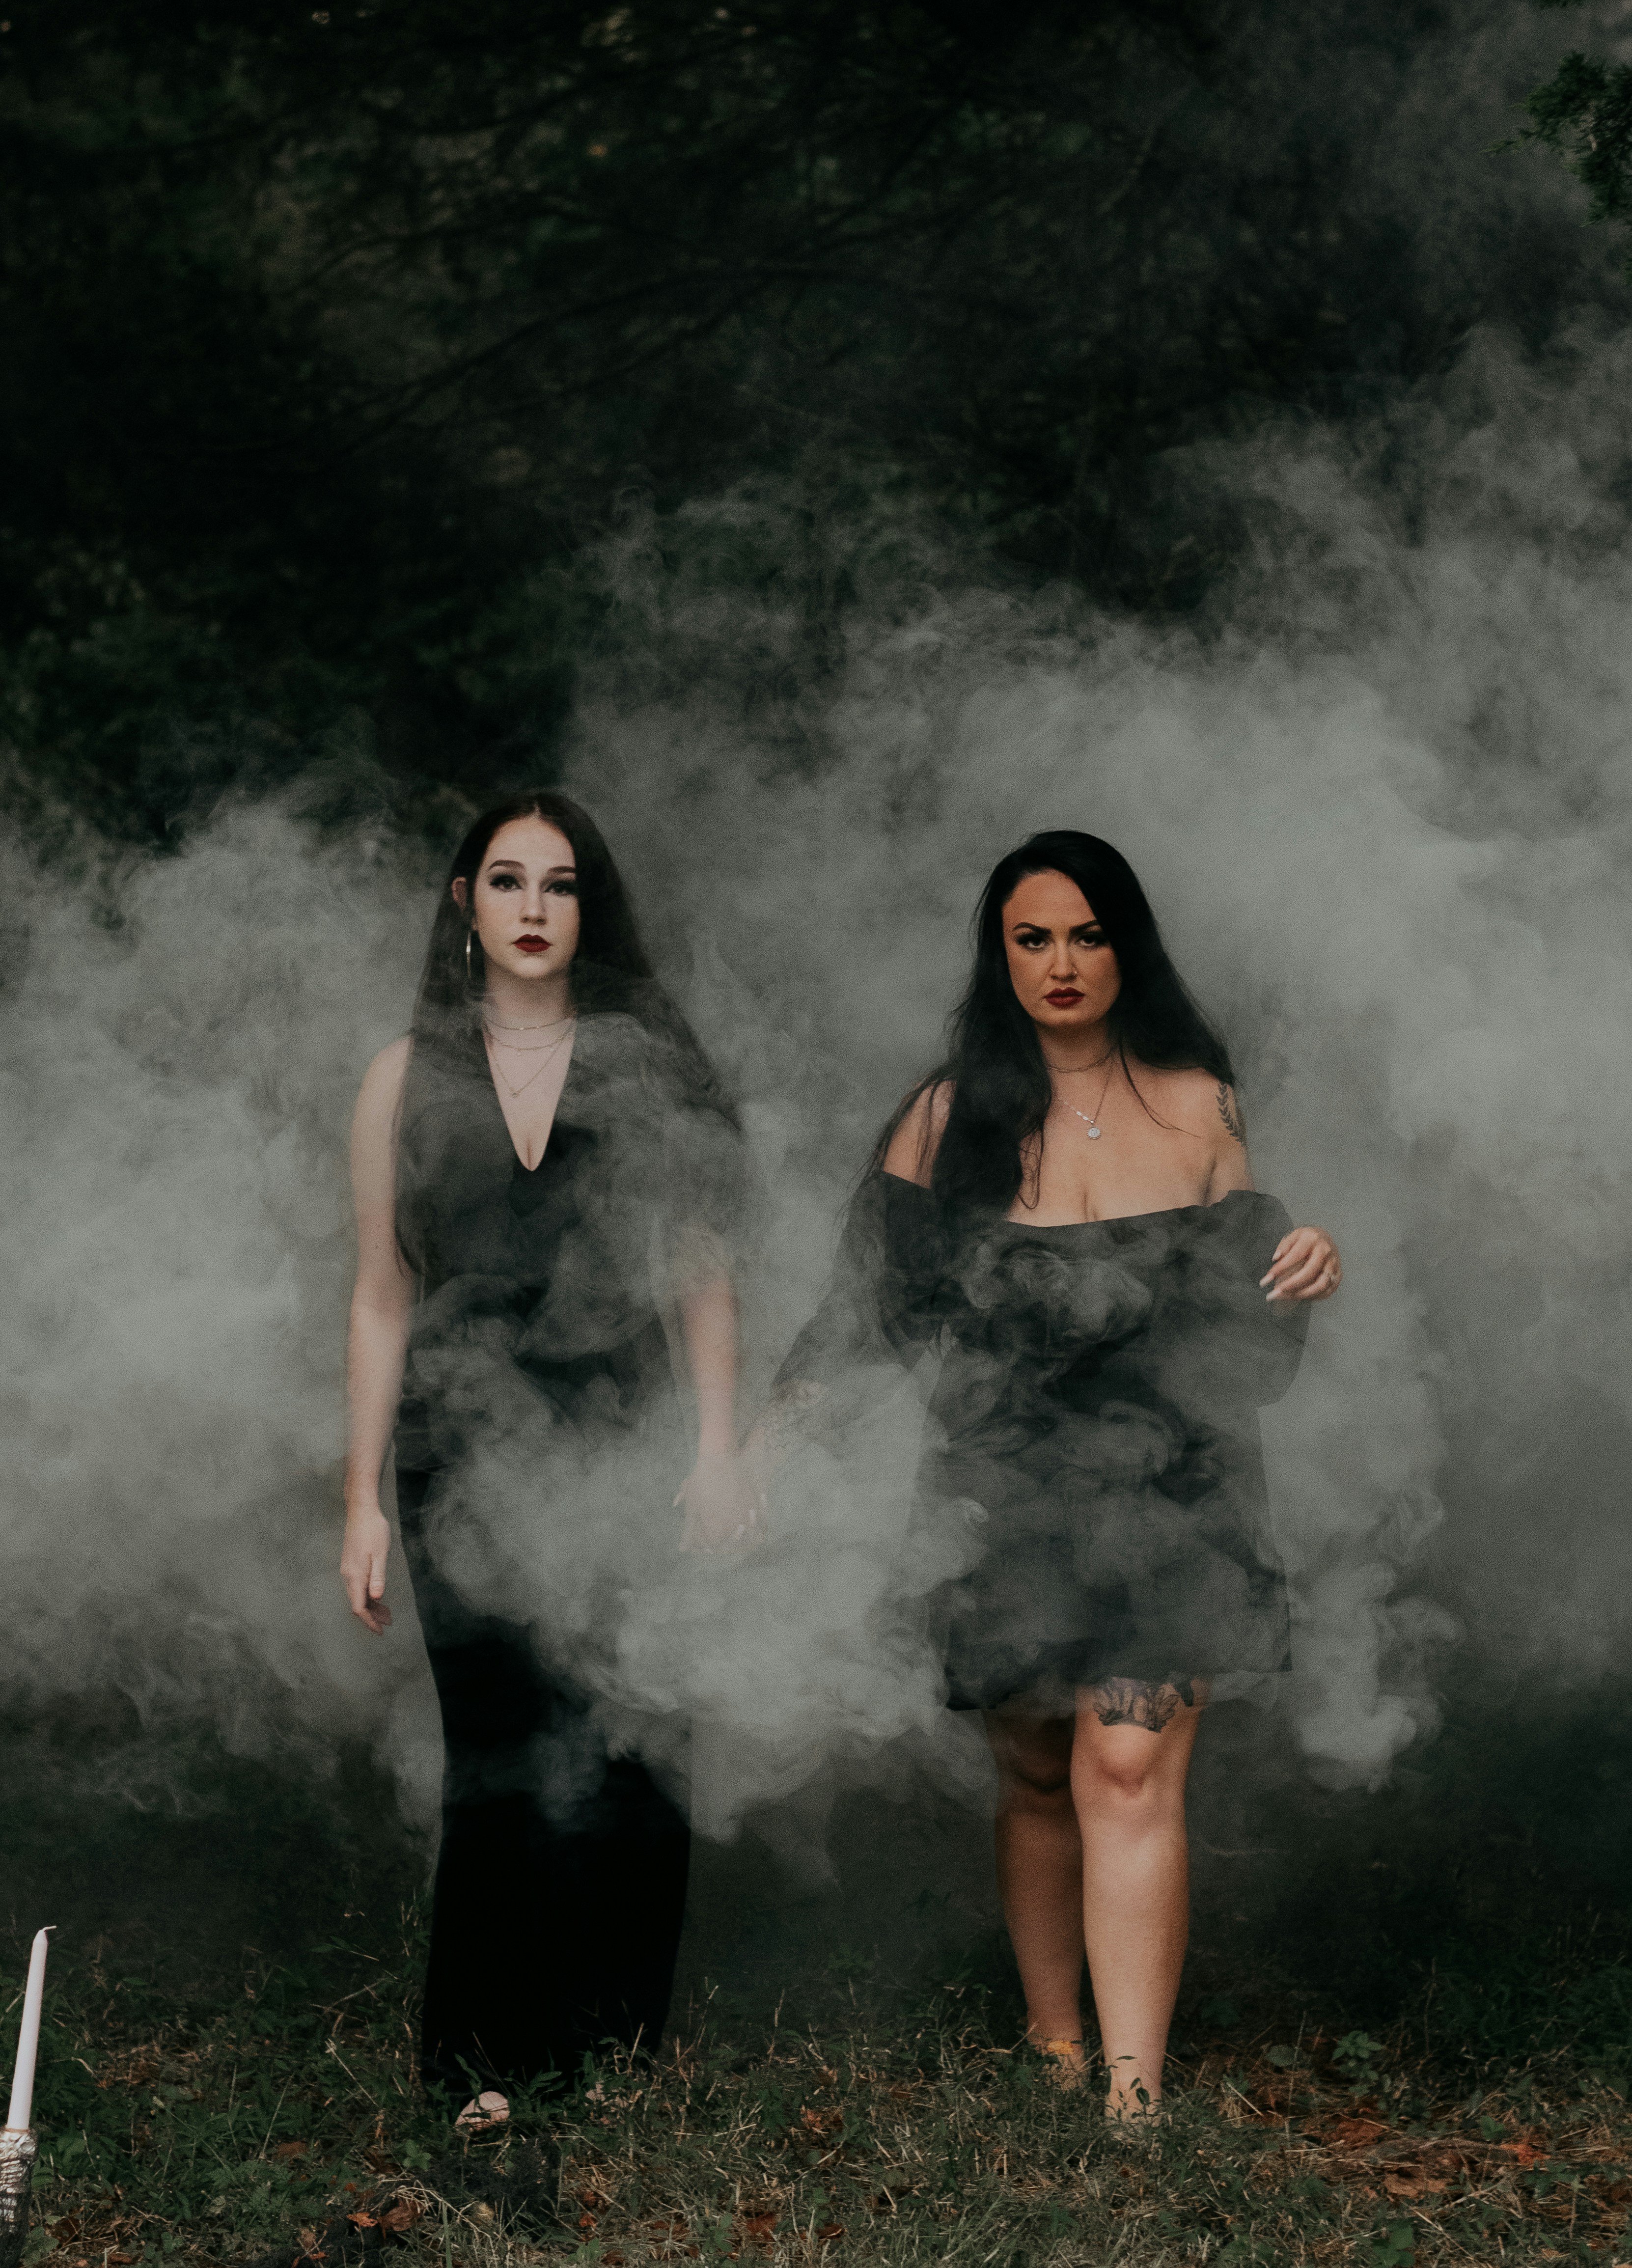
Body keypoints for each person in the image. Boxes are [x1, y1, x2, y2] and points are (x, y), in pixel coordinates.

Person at [757, 830, 1340, 2127]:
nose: (1061, 963)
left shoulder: (1201, 1101)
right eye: (1032, 937)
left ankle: (1132, 2107)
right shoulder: (941, 1114)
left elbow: (1249, 1318)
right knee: (1033, 1773)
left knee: (1125, 1769)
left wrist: (1305, 1256)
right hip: (997, 1484)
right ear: (998, 952)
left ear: (1124, 943)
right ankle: (1053, 2045)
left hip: (1172, 1488)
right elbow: (863, 1300)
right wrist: (766, 1436)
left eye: (1085, 933)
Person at [340, 792, 759, 2127]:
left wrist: (714, 1449)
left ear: (589, 910)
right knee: (499, 1752)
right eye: (506, 879)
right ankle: (479, 2069)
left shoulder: (645, 1063)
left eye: (560, 883)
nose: (531, 906)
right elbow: (378, 1293)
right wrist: (357, 1497)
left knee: (631, 1742)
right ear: (463, 901)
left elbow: (700, 1266)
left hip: (623, 1429)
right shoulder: (401, 1075)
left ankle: (612, 2058)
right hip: (455, 1446)